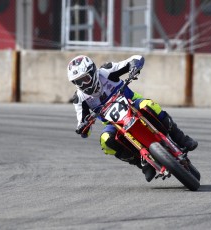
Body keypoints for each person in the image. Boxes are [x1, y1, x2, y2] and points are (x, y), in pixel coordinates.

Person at [67, 55, 198, 182]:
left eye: (85, 79)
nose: (83, 84)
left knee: (149, 105)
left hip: (133, 104)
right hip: (115, 123)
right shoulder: (79, 99)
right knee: (105, 141)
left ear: (93, 71)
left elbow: (136, 59)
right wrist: (84, 127)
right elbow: (83, 126)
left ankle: (181, 138)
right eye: (78, 81)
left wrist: (135, 66)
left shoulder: (106, 72)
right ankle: (141, 163)